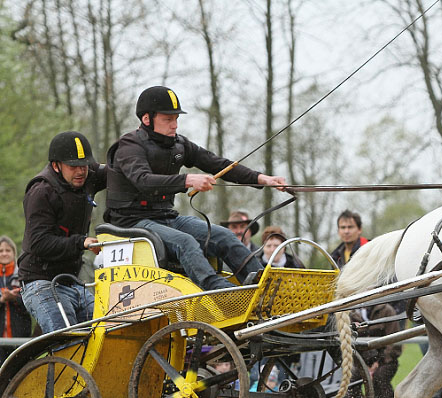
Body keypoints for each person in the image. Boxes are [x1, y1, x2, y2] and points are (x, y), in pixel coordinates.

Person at [105, 86, 287, 290]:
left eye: (176, 119)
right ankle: (222, 293)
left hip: (166, 217)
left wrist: (262, 179)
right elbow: (144, 181)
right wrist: (187, 180)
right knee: (186, 242)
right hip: (132, 222)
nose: (174, 125)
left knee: (223, 236)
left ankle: (267, 287)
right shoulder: (129, 146)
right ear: (147, 119)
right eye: (167, 119)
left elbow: (218, 164)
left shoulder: (179, 144)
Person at [19, 131, 105, 333]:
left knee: (109, 329)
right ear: (56, 166)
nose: (80, 171)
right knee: (68, 339)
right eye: (73, 166)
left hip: (72, 282)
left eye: (84, 166)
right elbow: (39, 243)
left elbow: (120, 170)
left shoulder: (87, 178)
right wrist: (80, 242)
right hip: (39, 282)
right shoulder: (41, 192)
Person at [0, 237, 31, 360]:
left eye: (8, 250)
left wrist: (14, 299)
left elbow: (32, 305)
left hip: (20, 337)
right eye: (1, 250)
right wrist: (2, 300)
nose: (4, 253)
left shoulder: (23, 275)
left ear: (14, 253)